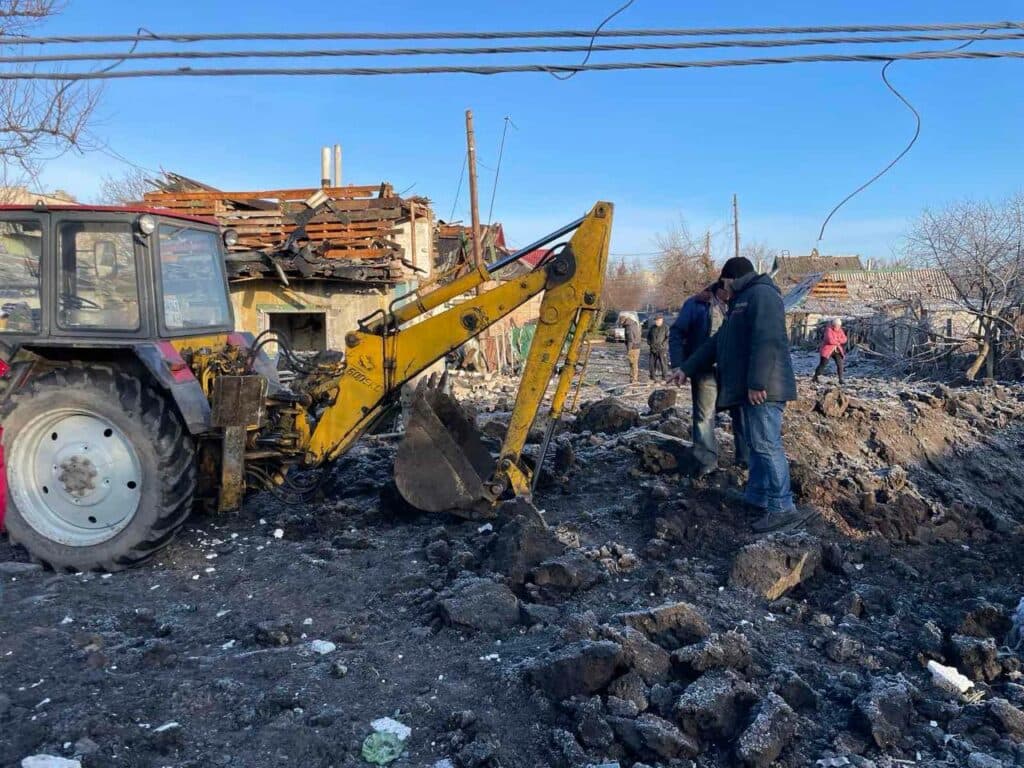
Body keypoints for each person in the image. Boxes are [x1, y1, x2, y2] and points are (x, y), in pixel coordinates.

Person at [669, 257, 813, 533]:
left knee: (767, 445)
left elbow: (767, 340)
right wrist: (685, 368)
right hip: (753, 388)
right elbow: (716, 342)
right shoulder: (743, 300)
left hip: (765, 389)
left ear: (729, 279)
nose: (723, 290)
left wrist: (758, 382)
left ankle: (782, 507)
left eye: (723, 283)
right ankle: (757, 497)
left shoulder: (762, 295)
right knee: (758, 444)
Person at [813, 317, 847, 384]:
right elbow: (830, 340)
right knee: (823, 364)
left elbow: (845, 339)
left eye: (839, 325)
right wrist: (838, 341)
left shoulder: (840, 330)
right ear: (833, 325)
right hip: (827, 350)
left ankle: (841, 379)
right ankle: (816, 377)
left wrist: (837, 340)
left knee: (840, 364)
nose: (838, 327)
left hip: (837, 350)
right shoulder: (829, 330)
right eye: (836, 325)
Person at [620, 312, 642, 384]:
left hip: (633, 347)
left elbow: (630, 339)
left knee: (633, 364)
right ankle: (633, 379)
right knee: (634, 363)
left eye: (620, 318)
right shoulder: (633, 323)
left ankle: (633, 379)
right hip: (636, 346)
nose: (619, 320)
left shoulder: (629, 326)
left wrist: (628, 350)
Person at [646, 315, 669, 381]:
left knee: (663, 364)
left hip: (662, 349)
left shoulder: (665, 327)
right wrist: (650, 344)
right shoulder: (652, 328)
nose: (657, 322)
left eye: (658, 320)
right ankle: (652, 377)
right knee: (652, 364)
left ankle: (664, 377)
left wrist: (663, 345)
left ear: (661, 320)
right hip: (653, 349)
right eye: (656, 321)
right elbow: (648, 337)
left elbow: (667, 338)